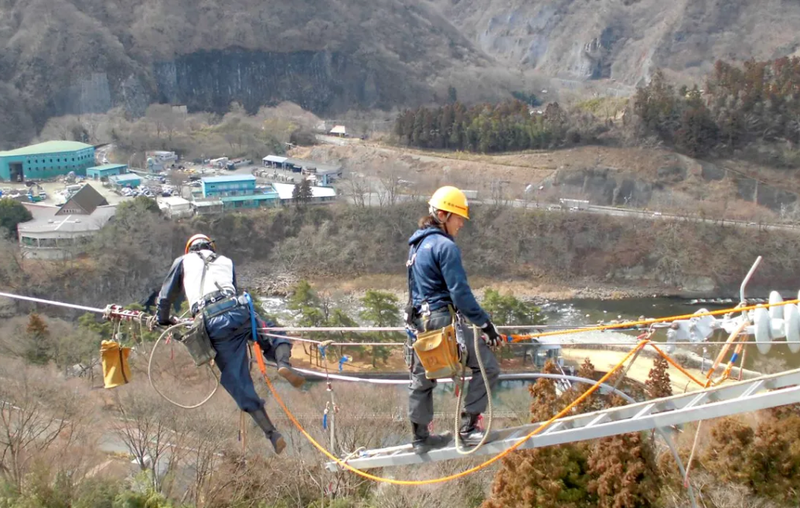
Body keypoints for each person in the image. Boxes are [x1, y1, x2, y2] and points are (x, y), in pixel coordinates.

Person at [155, 234, 305, 454]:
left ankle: (272, 433)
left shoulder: (183, 261)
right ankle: (284, 362)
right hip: (240, 311)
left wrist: (162, 320)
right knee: (272, 331)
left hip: (212, 322)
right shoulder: (226, 261)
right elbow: (232, 289)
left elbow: (166, 296)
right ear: (210, 246)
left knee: (237, 379)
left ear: (190, 249)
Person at [405, 186, 503, 454]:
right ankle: (469, 427)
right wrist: (485, 325)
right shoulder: (445, 247)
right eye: (458, 217)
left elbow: (415, 292)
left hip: (420, 324)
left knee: (422, 377)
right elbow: (460, 293)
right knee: (487, 367)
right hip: (442, 323)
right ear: (442, 215)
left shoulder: (417, 246)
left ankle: (420, 437)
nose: (461, 224)